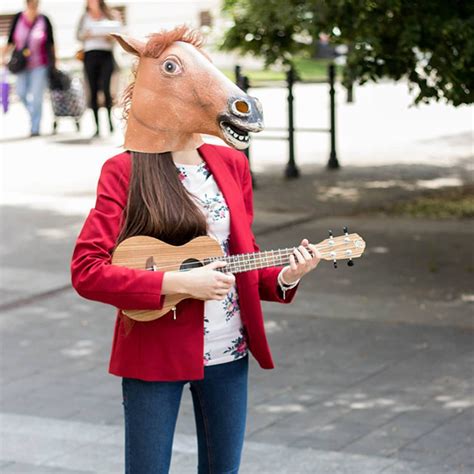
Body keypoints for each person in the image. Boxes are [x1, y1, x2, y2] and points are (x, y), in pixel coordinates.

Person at [70, 25, 321, 474]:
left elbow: (240, 254)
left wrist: (286, 276)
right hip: (153, 353)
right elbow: (87, 270)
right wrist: (177, 281)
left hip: (230, 353)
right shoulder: (123, 170)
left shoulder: (231, 163)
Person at [1, 0, 55, 136]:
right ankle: (34, 114)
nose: (34, 5)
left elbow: (52, 43)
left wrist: (54, 62)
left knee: (37, 96)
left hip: (40, 64)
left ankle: (35, 127)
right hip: (21, 65)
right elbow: (10, 41)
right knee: (21, 93)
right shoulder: (18, 18)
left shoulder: (44, 20)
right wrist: (2, 57)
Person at [76, 0, 122, 137]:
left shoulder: (110, 15)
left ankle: (109, 122)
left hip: (106, 55)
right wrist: (86, 35)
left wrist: (110, 37)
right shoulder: (84, 17)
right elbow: (78, 35)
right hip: (90, 56)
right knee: (93, 90)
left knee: (106, 89)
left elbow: (118, 33)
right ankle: (97, 127)